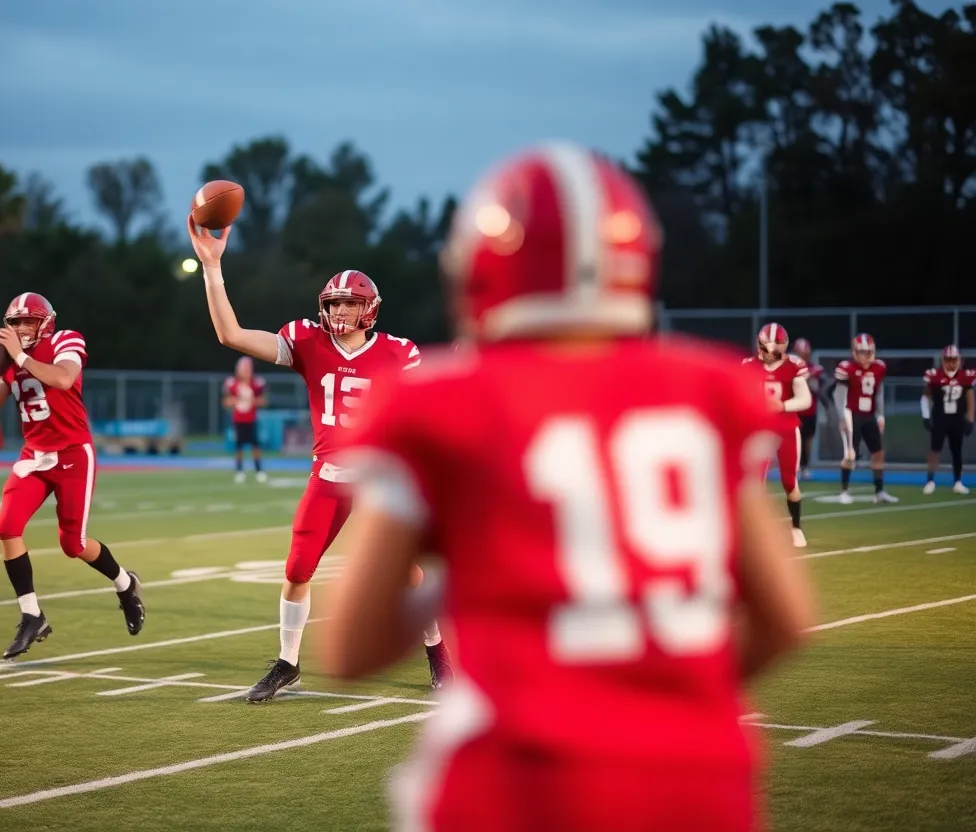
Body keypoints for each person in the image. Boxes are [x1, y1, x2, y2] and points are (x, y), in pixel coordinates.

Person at [319, 143, 815, 832]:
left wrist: (465, 575)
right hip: (696, 786)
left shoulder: (441, 401)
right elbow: (788, 618)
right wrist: (665, 694)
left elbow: (349, 649)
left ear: (478, 274)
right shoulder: (709, 391)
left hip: (512, 787)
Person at [186, 218, 453, 703]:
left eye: (351, 304)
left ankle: (437, 651)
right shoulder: (307, 340)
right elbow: (231, 335)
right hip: (328, 475)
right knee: (297, 569)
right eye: (335, 304)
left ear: (369, 308)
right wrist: (212, 268)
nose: (341, 313)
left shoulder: (399, 352)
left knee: (407, 567)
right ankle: (288, 662)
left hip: (378, 479)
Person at [0, 292, 145, 660]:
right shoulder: (9, 355)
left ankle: (125, 583)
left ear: (45, 322)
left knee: (73, 544)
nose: (20, 328)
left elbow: (65, 379)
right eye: (15, 322)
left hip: (72, 454)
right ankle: (31, 614)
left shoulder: (65, 340)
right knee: (6, 526)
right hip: (34, 455)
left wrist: (20, 357)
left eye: (28, 321)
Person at [742, 324, 812, 547]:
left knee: (789, 482)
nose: (769, 355)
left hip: (786, 429)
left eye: (775, 351)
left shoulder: (794, 366)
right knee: (755, 481)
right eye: (766, 349)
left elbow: (805, 400)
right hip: (761, 430)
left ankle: (796, 527)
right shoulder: (749, 366)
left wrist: (780, 405)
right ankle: (758, 531)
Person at [834, 334, 898, 504]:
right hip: (851, 414)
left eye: (868, 352)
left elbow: (879, 392)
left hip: (869, 416)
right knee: (850, 454)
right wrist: (842, 417)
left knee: (878, 453)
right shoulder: (846, 368)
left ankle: (879, 492)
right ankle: (844, 491)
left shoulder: (878, 367)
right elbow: (838, 395)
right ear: (854, 352)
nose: (865, 356)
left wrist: (881, 414)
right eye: (861, 352)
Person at [922, 344, 975, 494]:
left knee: (957, 451)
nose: (951, 363)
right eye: (948, 360)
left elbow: (970, 398)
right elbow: (925, 397)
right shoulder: (935, 376)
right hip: (940, 417)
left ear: (959, 360)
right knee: (935, 450)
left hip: (957, 418)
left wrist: (970, 420)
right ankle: (930, 480)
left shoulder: (966, 376)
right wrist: (925, 416)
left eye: (954, 360)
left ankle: (957, 481)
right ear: (943, 360)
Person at [224, 356, 268, 483]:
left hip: (252, 418)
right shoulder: (233, 383)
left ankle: (258, 470)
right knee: (239, 446)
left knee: (255, 445)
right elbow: (226, 401)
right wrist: (234, 401)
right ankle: (239, 470)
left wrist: (252, 400)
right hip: (238, 418)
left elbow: (263, 401)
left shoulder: (256, 383)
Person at [791, 337, 825, 479]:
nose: (802, 356)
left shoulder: (814, 369)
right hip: (794, 410)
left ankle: (805, 466)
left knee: (807, 440)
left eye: (804, 353)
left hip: (809, 410)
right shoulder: (790, 368)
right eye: (800, 353)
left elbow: (816, 388)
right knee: (794, 440)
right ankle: (794, 467)